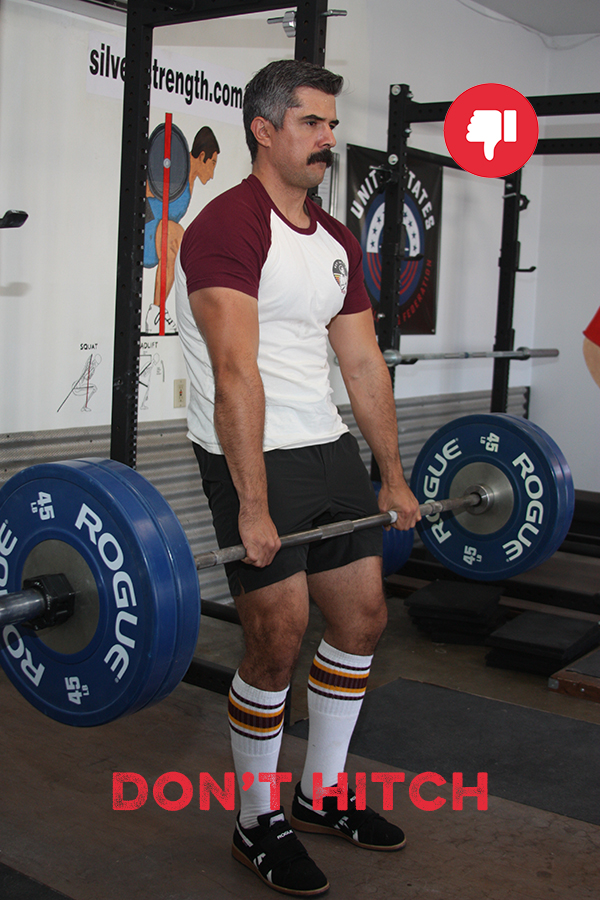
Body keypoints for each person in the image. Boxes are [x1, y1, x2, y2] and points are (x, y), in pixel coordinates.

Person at [174, 59, 421, 897]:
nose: (328, 138)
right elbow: (234, 372)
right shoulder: (227, 226)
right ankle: (256, 820)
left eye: (331, 124)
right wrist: (251, 506)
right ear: (264, 128)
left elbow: (363, 363)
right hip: (250, 453)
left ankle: (320, 794)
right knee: (276, 638)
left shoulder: (336, 239)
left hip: (326, 446)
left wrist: (391, 476)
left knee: (362, 618)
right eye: (312, 122)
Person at [144, 125, 220, 333]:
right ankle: (155, 314)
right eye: (213, 163)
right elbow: (145, 188)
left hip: (158, 235)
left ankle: (166, 311)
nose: (212, 174)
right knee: (177, 235)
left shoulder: (188, 178)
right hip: (146, 232)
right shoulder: (176, 168)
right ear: (202, 156)